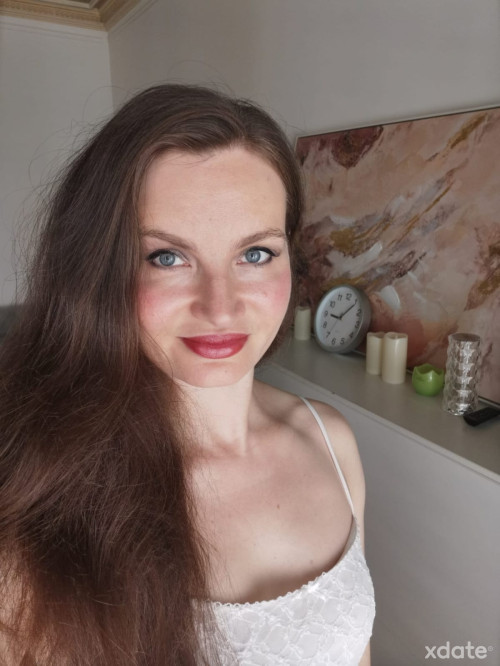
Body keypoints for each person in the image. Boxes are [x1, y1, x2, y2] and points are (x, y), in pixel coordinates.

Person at [0, 84, 375, 665]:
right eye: (167, 257)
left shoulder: (331, 441)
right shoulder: (36, 513)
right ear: (97, 272)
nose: (220, 307)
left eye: (255, 253)